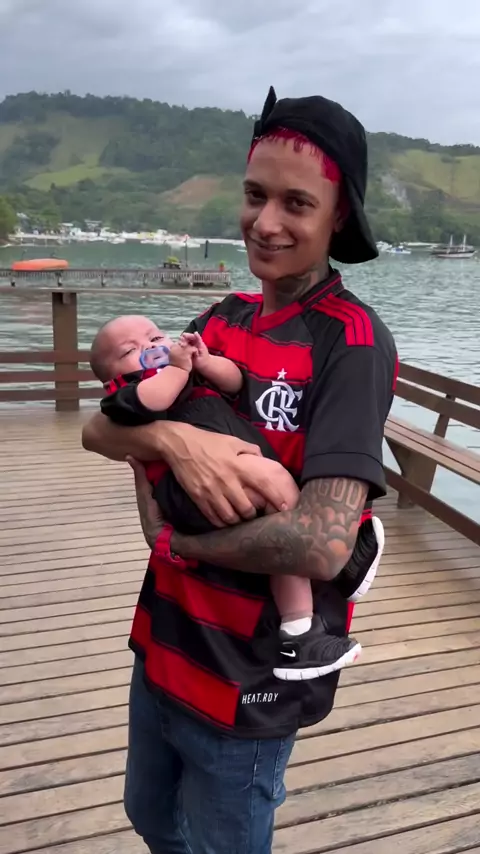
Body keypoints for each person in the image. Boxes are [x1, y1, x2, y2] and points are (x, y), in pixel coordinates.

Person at [82, 87, 398, 854]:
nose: (266, 222)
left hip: (249, 676)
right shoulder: (217, 320)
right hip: (164, 638)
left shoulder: (352, 342)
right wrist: (178, 444)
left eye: (297, 203)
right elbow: (100, 428)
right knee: (150, 816)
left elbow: (321, 542)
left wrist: (182, 543)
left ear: (339, 217)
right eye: (256, 195)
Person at [90, 315, 385, 680]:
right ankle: (327, 586)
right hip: (187, 493)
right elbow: (136, 409)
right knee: (282, 500)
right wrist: (178, 377)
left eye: (154, 337)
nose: (149, 348)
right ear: (111, 378)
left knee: (284, 519)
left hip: (232, 481)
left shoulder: (188, 374)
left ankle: (301, 622)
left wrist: (204, 361)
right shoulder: (131, 391)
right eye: (129, 351)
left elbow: (235, 381)